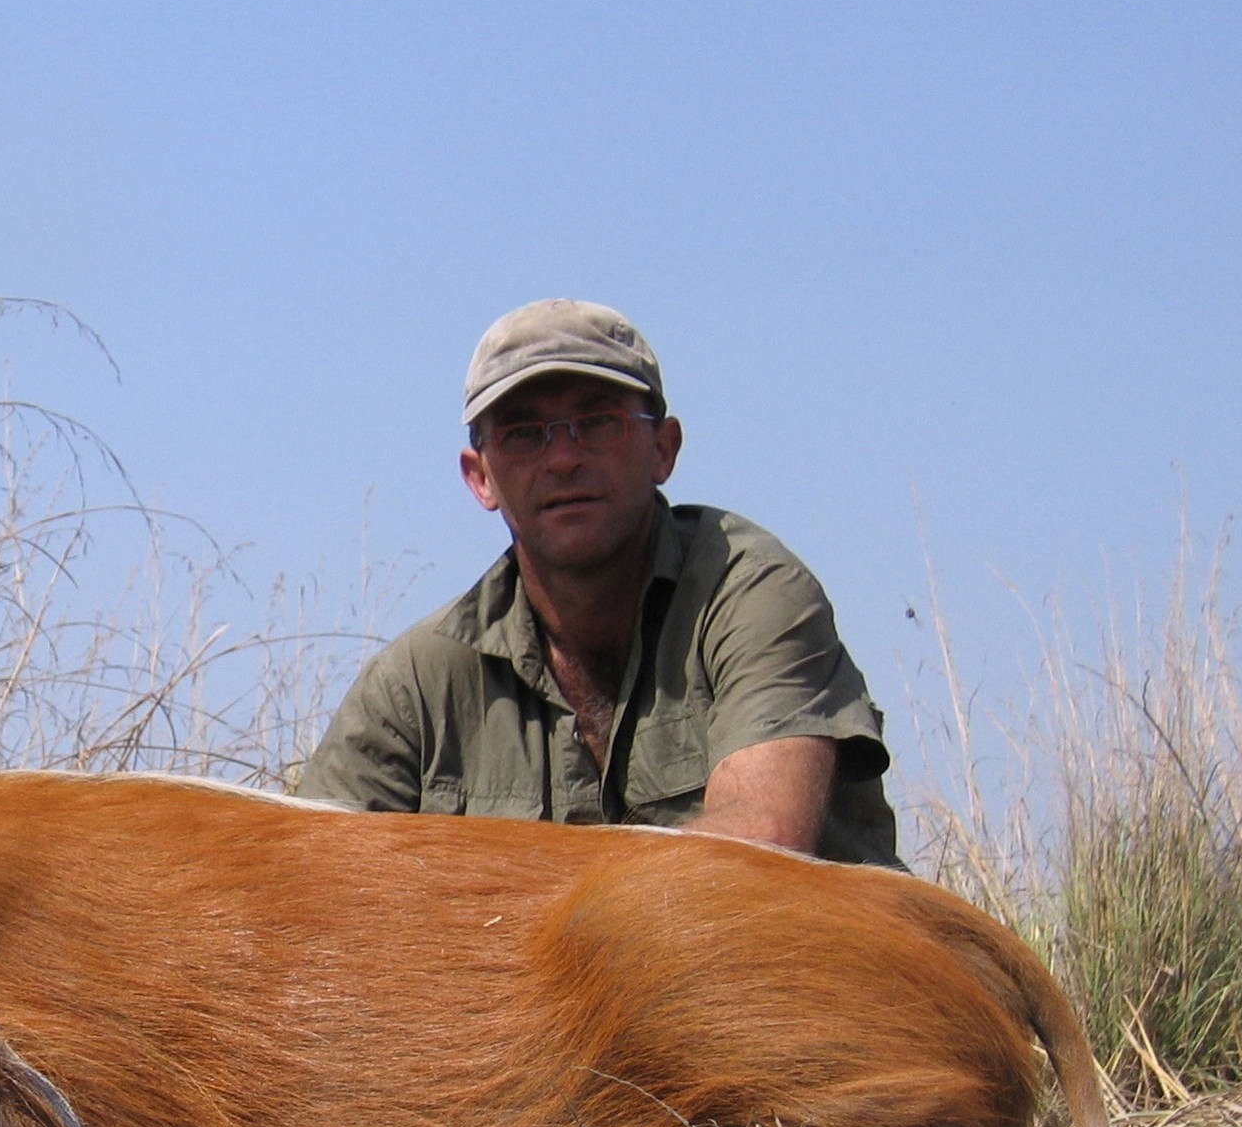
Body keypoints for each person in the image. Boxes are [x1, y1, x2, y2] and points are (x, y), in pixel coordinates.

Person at [297, 299, 901, 867]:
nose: (563, 458)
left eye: (597, 422)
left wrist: (483, 893)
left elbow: (757, 852)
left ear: (664, 449)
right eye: (523, 433)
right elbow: (302, 881)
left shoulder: (751, 591)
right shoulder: (416, 685)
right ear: (479, 477)